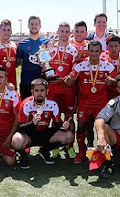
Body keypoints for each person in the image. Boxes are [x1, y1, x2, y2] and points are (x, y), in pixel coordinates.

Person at [65, 40, 116, 164]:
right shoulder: (80, 65)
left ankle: (102, 154)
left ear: (101, 52)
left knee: (102, 129)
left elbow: (115, 82)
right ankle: (81, 152)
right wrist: (69, 80)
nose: (94, 54)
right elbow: (70, 81)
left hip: (101, 103)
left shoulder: (108, 65)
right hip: (85, 103)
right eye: (92, 51)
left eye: (96, 51)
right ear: (88, 52)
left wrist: (112, 82)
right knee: (81, 127)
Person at [12, 78, 74, 169]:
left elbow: (57, 124)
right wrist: (33, 123)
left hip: (44, 133)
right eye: (36, 91)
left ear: (47, 91)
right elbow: (20, 127)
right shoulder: (26, 104)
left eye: (42, 90)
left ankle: (44, 150)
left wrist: (64, 126)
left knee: (69, 136)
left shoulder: (52, 104)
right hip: (29, 135)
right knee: (17, 140)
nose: (39, 93)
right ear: (32, 91)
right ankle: (23, 155)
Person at [47, 22, 78, 157]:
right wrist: (52, 78)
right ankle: (55, 146)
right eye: (62, 31)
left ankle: (70, 146)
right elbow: (45, 67)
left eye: (66, 32)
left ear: (70, 33)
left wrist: (68, 77)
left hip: (67, 88)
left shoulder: (73, 50)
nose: (64, 34)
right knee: (55, 117)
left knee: (69, 117)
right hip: (53, 88)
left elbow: (75, 68)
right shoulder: (50, 49)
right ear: (57, 32)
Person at [16, 16, 50, 100]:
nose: (34, 26)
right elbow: (18, 62)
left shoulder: (47, 43)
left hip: (42, 83)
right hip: (26, 82)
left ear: (40, 26)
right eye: (32, 24)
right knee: (26, 109)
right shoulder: (21, 44)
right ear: (28, 26)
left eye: (36, 24)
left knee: (41, 110)